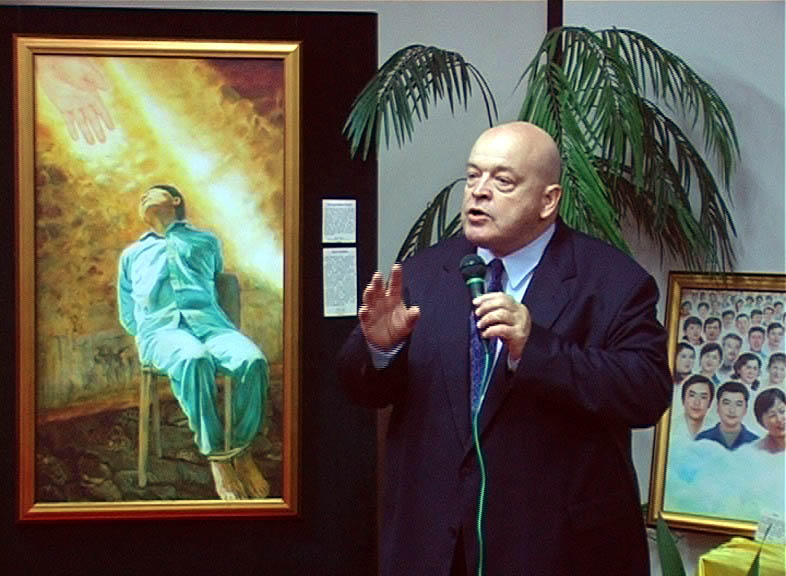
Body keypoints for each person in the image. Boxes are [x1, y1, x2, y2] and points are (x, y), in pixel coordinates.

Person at [337, 122, 671, 575]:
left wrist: (535, 349)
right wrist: (381, 348)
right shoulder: (423, 273)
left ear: (548, 201)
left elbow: (647, 392)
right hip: (435, 548)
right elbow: (360, 387)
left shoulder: (612, 281)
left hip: (554, 550)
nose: (479, 192)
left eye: (503, 181)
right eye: (473, 176)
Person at [118, 184, 270, 500]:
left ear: (175, 200)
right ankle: (217, 457)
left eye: (153, 193)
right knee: (193, 358)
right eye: (142, 196)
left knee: (252, 361)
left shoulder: (205, 241)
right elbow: (128, 312)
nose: (144, 197)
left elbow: (216, 282)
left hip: (212, 327)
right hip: (162, 334)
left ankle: (240, 450)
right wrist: (150, 332)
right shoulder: (132, 255)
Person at [695, 381, 758, 450]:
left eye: (738, 404)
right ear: (718, 407)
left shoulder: (755, 443)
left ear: (745, 409)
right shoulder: (703, 439)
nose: (732, 410)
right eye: (726, 403)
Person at [752, 388, 786, 453]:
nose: (779, 419)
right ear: (761, 423)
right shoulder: (755, 451)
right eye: (772, 415)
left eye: (782, 411)